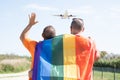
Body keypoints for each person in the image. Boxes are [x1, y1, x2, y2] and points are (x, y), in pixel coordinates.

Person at [20, 13, 56, 80]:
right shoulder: (58, 49)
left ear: (42, 35)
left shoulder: (35, 47)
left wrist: (30, 24)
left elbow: (22, 37)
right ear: (55, 37)